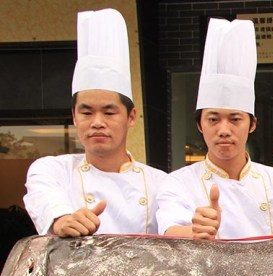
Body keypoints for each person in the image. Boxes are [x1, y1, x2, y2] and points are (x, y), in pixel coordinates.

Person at [23, 9, 167, 237]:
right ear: (74, 117)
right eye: (87, 112)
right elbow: (45, 200)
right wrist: (63, 221)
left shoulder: (161, 183)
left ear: (131, 117)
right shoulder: (52, 170)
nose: (97, 123)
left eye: (109, 113)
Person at [156, 18, 273, 240]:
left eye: (235, 119)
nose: (223, 129)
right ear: (199, 125)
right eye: (213, 119)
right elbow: (169, 230)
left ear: (252, 125)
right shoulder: (178, 182)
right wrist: (195, 231)